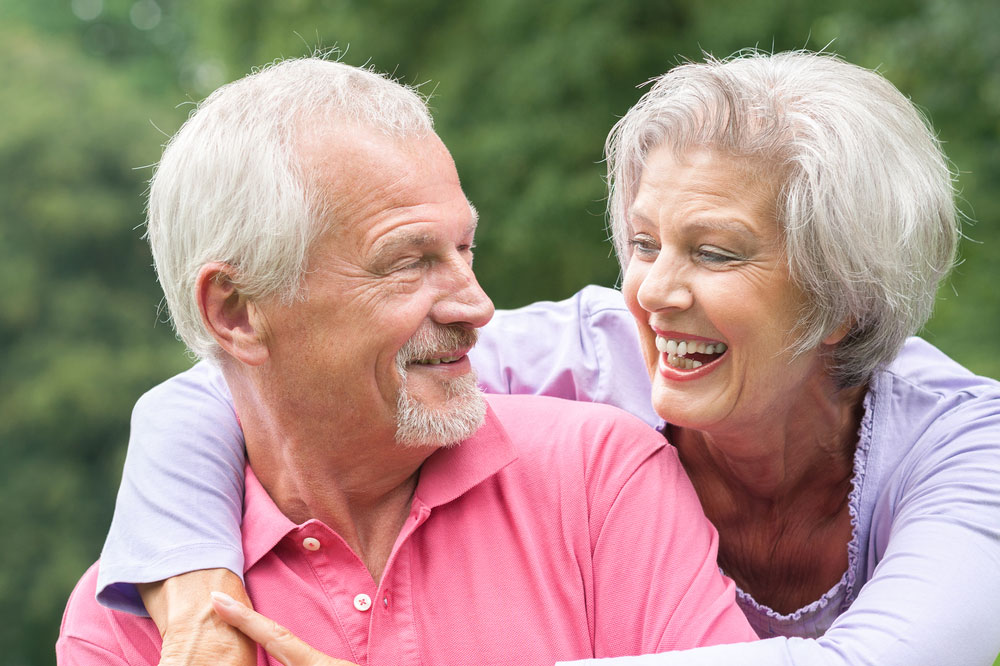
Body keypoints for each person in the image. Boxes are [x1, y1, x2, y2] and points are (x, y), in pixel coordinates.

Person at [86, 50, 1000, 665]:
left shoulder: (972, 454)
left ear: (842, 299)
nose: (655, 292)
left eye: (715, 253)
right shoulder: (593, 362)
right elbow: (230, 381)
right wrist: (194, 573)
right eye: (644, 244)